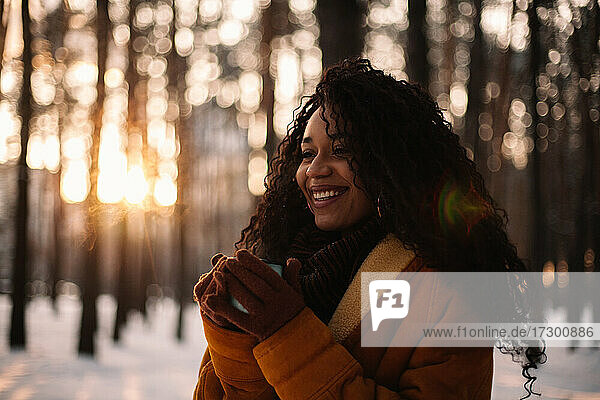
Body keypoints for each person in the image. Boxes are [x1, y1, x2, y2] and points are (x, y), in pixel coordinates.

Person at [192, 58, 545, 399]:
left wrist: (287, 334)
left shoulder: (448, 287)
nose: (314, 169)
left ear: (391, 160)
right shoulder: (276, 267)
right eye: (307, 152)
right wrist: (231, 335)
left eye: (341, 150)